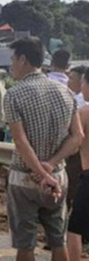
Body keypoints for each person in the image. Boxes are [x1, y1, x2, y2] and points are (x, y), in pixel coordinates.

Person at [5, 36, 83, 261]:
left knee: (25, 245)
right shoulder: (66, 93)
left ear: (23, 59)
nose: (11, 66)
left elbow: (20, 142)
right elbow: (77, 137)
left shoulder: (14, 95)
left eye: (13, 59)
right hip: (58, 177)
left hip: (24, 179)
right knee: (58, 240)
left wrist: (40, 172)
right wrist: (50, 166)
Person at [67, 69, 89, 261]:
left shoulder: (84, 112)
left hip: (88, 176)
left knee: (74, 228)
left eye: (83, 83)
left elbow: (75, 141)